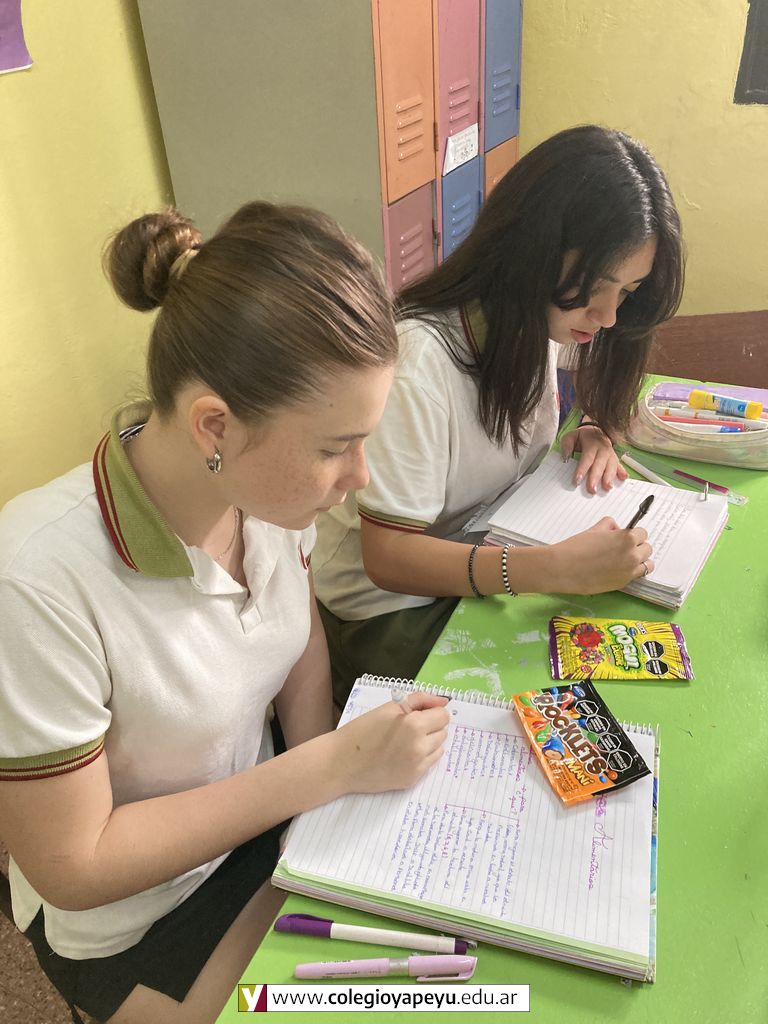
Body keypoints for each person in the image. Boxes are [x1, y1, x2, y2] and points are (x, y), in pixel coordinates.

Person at [0, 202, 450, 1024]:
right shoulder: (36, 578)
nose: (361, 477)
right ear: (215, 426)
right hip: (138, 917)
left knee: (454, 970)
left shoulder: (265, 499)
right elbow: (75, 864)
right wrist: (329, 770)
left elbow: (299, 651)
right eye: (334, 447)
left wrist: (321, 811)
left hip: (264, 827)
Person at [312, 125, 685, 704]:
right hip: (389, 610)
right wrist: (552, 570)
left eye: (628, 292)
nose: (609, 315)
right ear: (532, 251)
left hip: (491, 552)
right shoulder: (420, 364)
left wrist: (591, 429)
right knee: (560, 700)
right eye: (597, 286)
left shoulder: (538, 318)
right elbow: (389, 559)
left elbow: (578, 391)